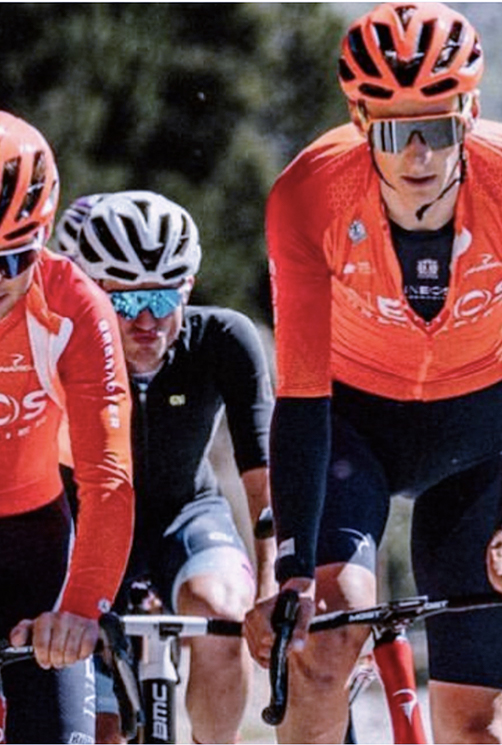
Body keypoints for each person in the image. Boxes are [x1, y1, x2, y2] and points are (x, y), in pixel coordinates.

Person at [244, 3, 502, 743]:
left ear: (470, 113)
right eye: (392, 132)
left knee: (474, 724)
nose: (417, 154)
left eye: (438, 128)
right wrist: (292, 569)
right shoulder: (309, 193)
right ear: (358, 120)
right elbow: (301, 396)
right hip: (354, 429)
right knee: (320, 655)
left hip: (484, 434)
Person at [55, 190, 276, 744]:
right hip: (87, 526)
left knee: (223, 616)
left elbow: (264, 476)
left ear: (189, 288)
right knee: (102, 729)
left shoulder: (224, 339)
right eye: (125, 302)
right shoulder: (58, 348)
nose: (146, 320)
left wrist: (272, 584)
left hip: (187, 515)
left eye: (162, 297)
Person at [0, 111, 134, 744]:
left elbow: (107, 477)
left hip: (33, 543)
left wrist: (81, 608)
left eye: (12, 260)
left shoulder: (75, 306)